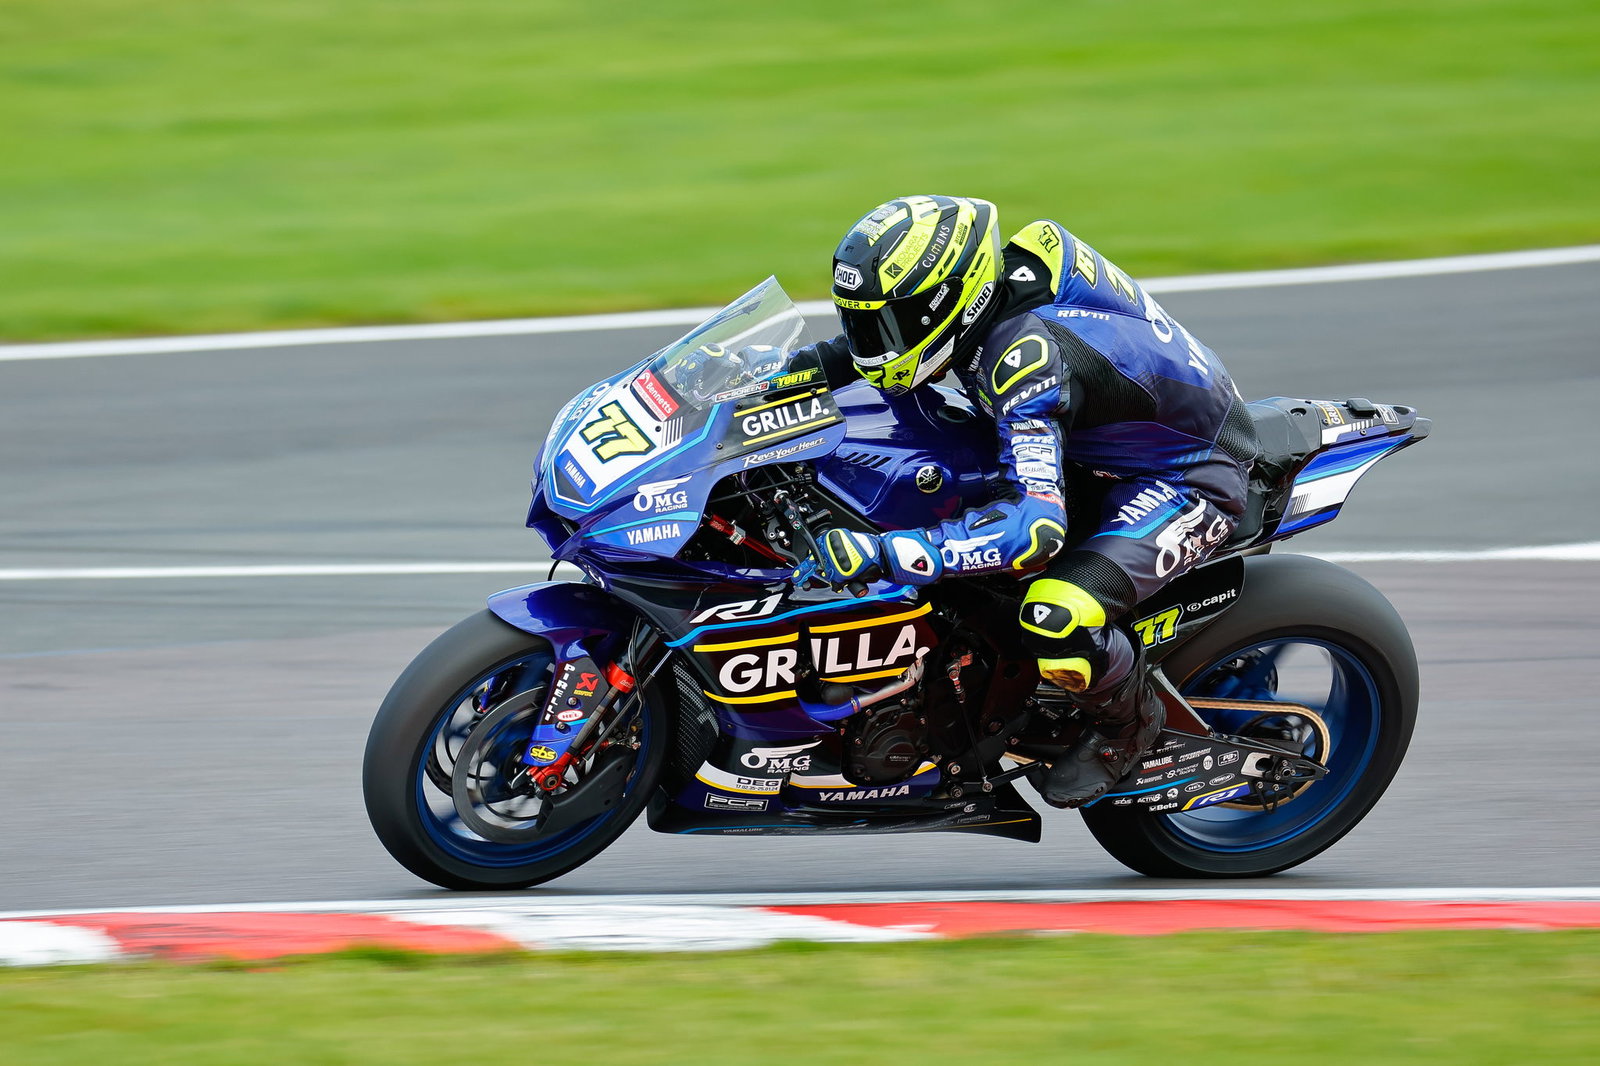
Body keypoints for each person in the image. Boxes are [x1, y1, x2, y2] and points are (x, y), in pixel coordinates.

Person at [804, 195, 1258, 808]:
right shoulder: (979, 306)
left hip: (1188, 473)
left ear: (947, 304)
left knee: (1056, 613)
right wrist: (736, 387)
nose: (869, 342)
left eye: (887, 325)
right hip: (1100, 440)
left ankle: (1128, 726)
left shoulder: (1024, 362)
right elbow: (840, 360)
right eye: (861, 320)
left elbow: (1035, 530)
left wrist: (890, 552)